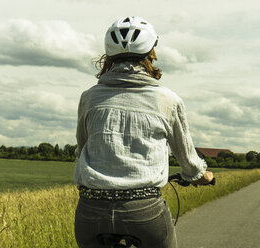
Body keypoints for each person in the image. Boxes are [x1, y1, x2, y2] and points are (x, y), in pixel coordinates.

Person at [74, 16, 214, 248]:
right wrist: (201, 176)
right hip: (143, 211)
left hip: (91, 210)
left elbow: (81, 148)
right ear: (151, 54)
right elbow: (187, 158)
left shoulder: (89, 97)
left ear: (108, 57)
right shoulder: (167, 99)